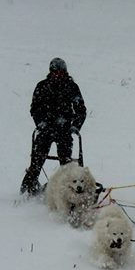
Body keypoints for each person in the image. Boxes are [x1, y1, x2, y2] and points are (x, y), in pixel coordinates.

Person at [20, 58, 87, 195]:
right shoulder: (42, 86)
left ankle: (67, 189)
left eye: (60, 73)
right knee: (37, 160)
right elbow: (35, 108)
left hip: (64, 129)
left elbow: (81, 110)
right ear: (51, 72)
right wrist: (40, 123)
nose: (58, 75)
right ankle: (28, 187)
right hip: (46, 129)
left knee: (66, 165)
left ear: (65, 72)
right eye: (55, 73)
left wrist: (75, 126)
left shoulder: (71, 87)